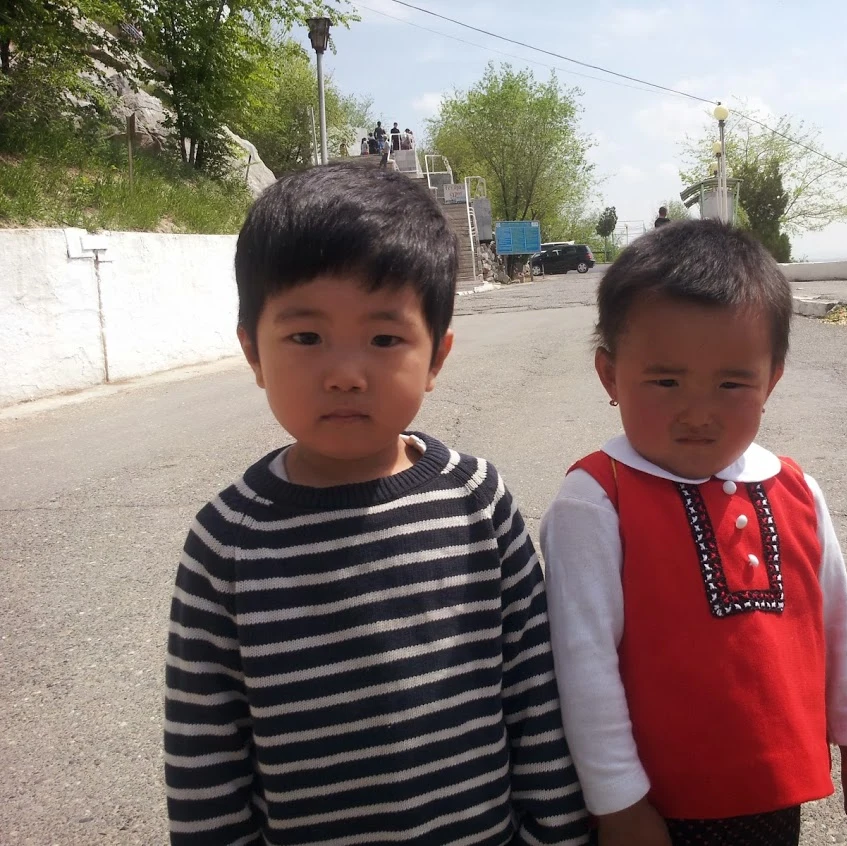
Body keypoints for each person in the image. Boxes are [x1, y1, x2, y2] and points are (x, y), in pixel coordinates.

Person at [164, 163, 592, 846]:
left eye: (385, 339)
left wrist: (559, 835)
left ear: (436, 357)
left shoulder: (478, 503)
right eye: (306, 337)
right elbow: (204, 761)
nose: (345, 374)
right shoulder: (227, 541)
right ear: (252, 352)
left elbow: (535, 698)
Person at [540, 220, 847, 846]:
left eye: (732, 384)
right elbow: (583, 668)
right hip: (656, 809)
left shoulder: (797, 490)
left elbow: (837, 628)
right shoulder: (596, 501)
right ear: (609, 376)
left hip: (772, 797)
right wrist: (619, 803)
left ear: (772, 381)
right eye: (666, 381)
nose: (698, 412)